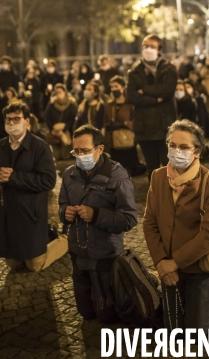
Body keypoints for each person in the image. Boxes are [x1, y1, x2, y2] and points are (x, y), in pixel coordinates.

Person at [143, 119, 209, 334]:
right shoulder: (158, 176)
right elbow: (150, 222)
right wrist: (162, 262)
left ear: (197, 151)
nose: (176, 151)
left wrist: (175, 262)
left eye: (184, 147)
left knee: (196, 337)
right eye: (172, 145)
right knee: (172, 331)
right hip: (168, 265)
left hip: (199, 268)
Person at [58, 124, 137, 323]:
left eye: (84, 151)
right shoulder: (69, 174)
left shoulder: (117, 176)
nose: (79, 155)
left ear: (100, 149)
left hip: (105, 253)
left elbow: (129, 218)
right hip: (78, 250)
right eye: (76, 151)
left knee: (107, 316)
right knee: (86, 312)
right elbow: (62, 204)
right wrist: (64, 212)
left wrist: (96, 214)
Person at [0, 101, 68, 271]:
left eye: (16, 119)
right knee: (13, 263)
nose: (12, 123)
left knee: (35, 264)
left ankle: (66, 238)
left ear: (27, 121)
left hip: (30, 212)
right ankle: (47, 236)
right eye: (8, 120)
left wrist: (14, 177)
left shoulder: (40, 146)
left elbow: (48, 180)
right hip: (7, 212)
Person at [127, 34, 177, 179]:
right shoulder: (135, 71)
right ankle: (155, 199)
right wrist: (156, 100)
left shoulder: (168, 69)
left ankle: (172, 200)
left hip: (165, 125)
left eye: (152, 46)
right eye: (145, 46)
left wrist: (145, 90)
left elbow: (167, 90)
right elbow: (132, 96)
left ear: (159, 49)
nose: (148, 49)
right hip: (144, 127)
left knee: (170, 168)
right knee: (152, 169)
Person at [104, 76, 146, 176]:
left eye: (116, 86)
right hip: (114, 141)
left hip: (128, 141)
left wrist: (119, 125)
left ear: (123, 88)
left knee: (128, 169)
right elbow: (107, 124)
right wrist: (123, 124)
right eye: (112, 87)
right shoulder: (110, 105)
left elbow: (133, 122)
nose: (114, 89)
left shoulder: (130, 104)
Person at [45, 84, 77, 160]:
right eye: (56, 92)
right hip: (54, 131)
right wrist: (52, 129)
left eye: (60, 92)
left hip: (66, 131)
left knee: (65, 155)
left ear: (64, 92)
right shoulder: (52, 104)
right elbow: (47, 118)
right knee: (56, 155)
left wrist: (64, 129)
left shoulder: (71, 104)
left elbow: (72, 119)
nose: (58, 94)